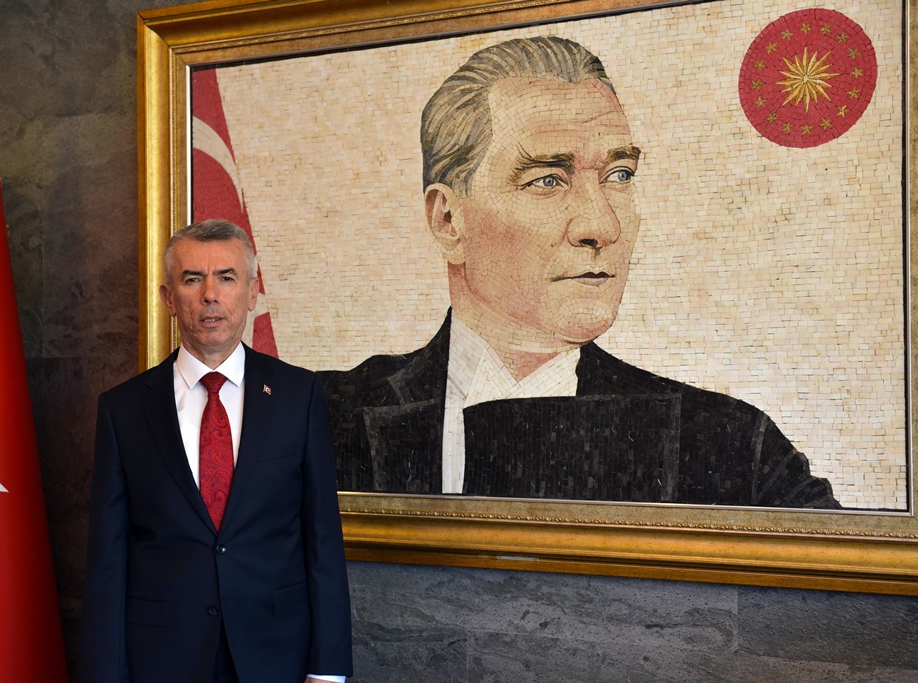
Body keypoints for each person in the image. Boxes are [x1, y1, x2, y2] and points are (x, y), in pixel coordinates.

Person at [320, 36, 839, 508]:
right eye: (547, 180)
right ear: (449, 221)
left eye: (618, 175)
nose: (602, 226)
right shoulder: (318, 417)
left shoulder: (731, 445)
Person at [82, 219, 353, 683]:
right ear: (169, 298)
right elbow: (108, 560)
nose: (211, 294)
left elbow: (322, 540)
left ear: (252, 292)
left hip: (276, 654)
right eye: (193, 279)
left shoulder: (299, 395)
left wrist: (328, 671)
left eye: (227, 277)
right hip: (162, 659)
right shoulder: (123, 410)